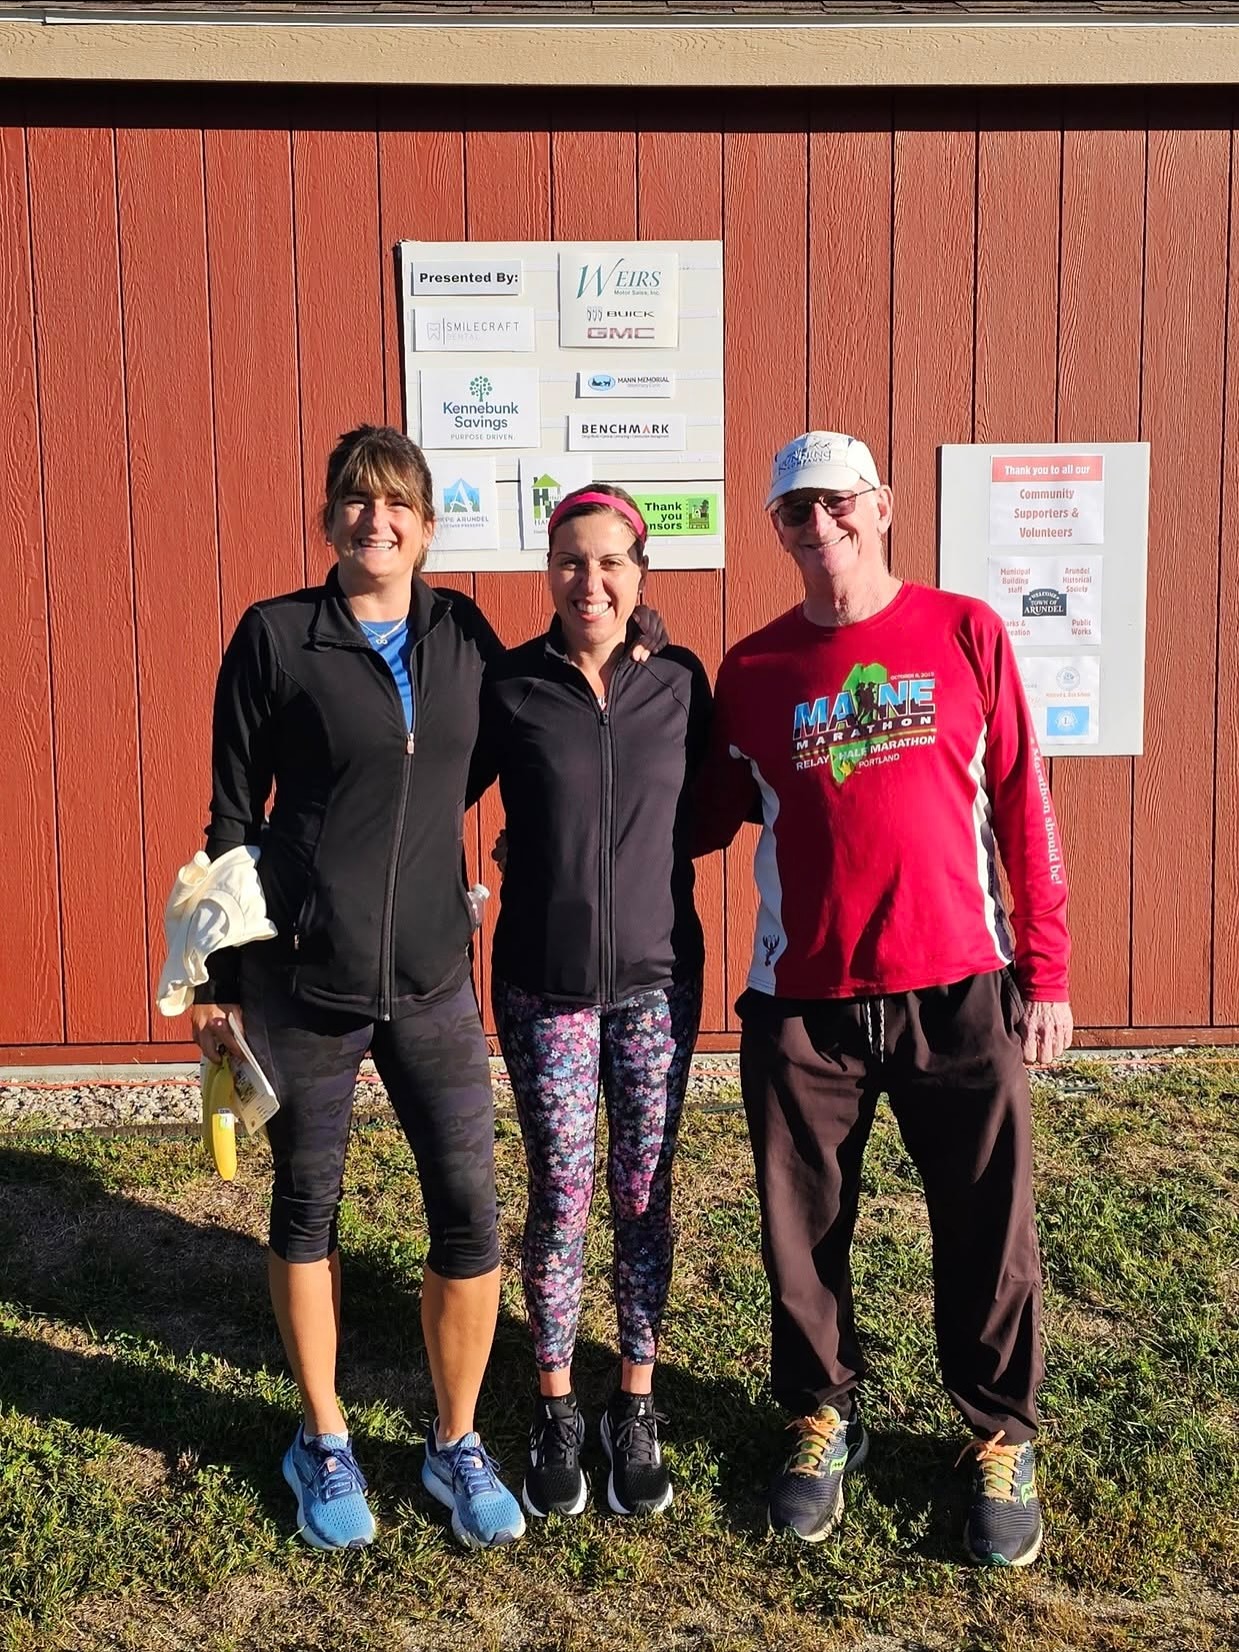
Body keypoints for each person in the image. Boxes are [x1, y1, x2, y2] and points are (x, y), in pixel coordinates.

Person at [695, 431, 1073, 1568]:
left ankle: (1000, 1430)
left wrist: (1043, 969)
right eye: (797, 512)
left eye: (840, 504)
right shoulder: (754, 670)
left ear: (884, 505)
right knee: (802, 1228)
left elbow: (1022, 801)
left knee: (986, 1220)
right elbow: (703, 811)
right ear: (778, 529)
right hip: (802, 997)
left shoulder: (965, 631)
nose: (822, 527)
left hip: (956, 983)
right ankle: (822, 1411)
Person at [189, 425, 528, 1552]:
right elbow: (234, 814)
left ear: (428, 527)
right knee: (305, 1210)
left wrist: (440, 863)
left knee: (471, 1215)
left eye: (396, 505)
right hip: (304, 980)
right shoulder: (278, 636)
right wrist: (222, 980)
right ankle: (322, 1436)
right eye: (353, 501)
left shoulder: (460, 631)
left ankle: (455, 1437)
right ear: (329, 517)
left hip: (433, 981)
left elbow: (484, 754)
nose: (373, 521)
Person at [470, 486, 711, 1521]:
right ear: (548, 573)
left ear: (642, 572)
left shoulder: (684, 684)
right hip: (545, 985)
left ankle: (637, 1401)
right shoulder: (510, 685)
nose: (591, 581)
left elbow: (713, 814)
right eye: (571, 561)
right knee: (563, 1191)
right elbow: (434, 784)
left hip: (655, 981)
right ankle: (558, 1404)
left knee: (642, 1190)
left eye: (611, 562)